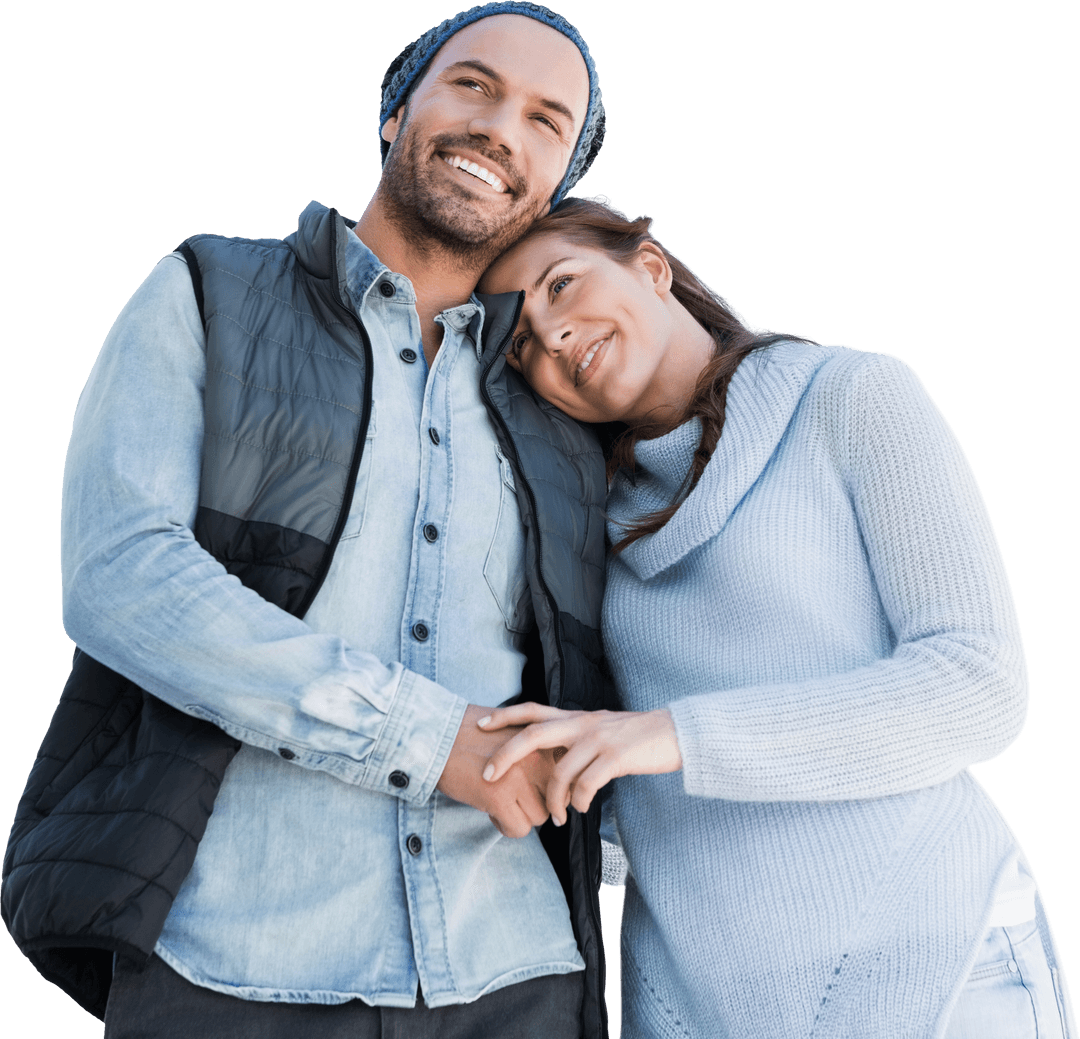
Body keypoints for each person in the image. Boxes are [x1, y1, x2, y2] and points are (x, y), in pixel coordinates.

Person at [1, 6, 616, 1038]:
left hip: (516, 976)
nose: (501, 128)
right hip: (231, 968)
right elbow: (121, 575)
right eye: (472, 84)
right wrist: (431, 740)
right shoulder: (212, 294)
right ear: (396, 107)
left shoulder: (559, 394)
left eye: (546, 120)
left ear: (558, 178)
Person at [477, 196, 1078, 1038]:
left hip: (935, 970)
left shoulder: (850, 395)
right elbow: (632, 813)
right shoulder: (576, 525)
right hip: (697, 1005)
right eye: (520, 341)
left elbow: (979, 688)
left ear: (650, 268)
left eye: (563, 284)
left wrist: (673, 736)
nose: (553, 333)